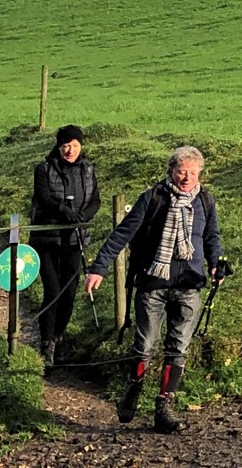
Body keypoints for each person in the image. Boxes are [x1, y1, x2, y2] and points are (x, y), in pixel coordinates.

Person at [83, 146, 224, 434]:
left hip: (189, 285)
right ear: (171, 171)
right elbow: (123, 233)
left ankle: (164, 406)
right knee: (145, 345)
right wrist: (99, 267)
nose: (187, 178)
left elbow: (212, 237)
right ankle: (134, 388)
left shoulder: (205, 202)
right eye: (182, 171)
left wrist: (215, 264)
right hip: (152, 285)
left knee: (178, 348)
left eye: (193, 173)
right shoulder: (153, 199)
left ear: (200, 174)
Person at [31, 124, 100, 366]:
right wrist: (63, 211)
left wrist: (84, 217)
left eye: (75, 145)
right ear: (59, 146)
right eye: (66, 145)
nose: (70, 150)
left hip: (74, 240)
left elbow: (95, 200)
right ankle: (46, 344)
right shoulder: (45, 169)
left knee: (69, 294)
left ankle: (59, 338)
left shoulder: (88, 170)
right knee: (53, 291)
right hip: (47, 240)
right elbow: (44, 197)